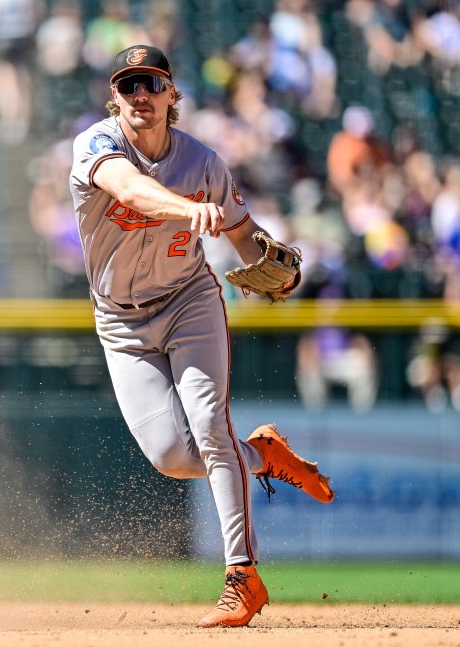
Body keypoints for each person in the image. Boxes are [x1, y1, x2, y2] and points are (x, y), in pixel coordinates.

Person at [68, 45, 335, 628]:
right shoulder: (95, 145)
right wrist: (190, 212)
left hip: (190, 301)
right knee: (170, 456)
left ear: (172, 97)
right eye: (129, 85)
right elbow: (132, 191)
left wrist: (273, 259)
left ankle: (242, 577)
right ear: (114, 98)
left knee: (211, 428)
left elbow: (242, 234)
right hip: (121, 321)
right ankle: (262, 456)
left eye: (152, 84)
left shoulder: (204, 163)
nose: (141, 95)